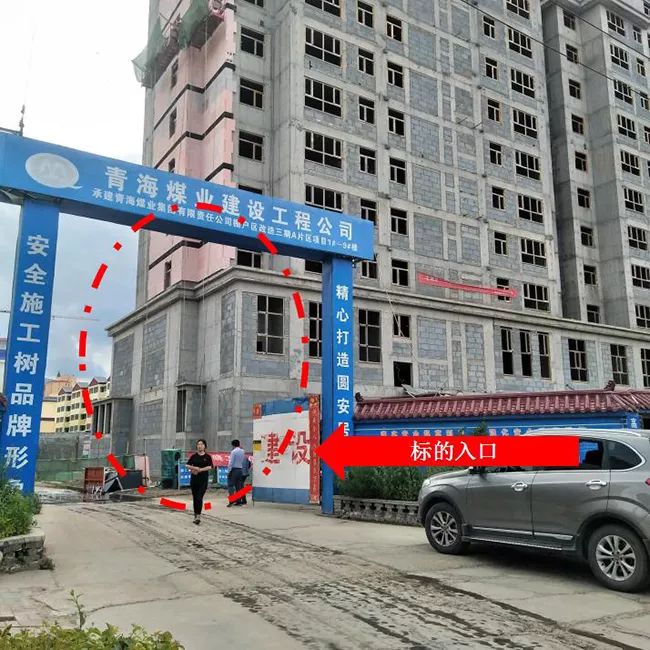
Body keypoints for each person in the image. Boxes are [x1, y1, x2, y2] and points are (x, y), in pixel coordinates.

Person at [186, 439, 213, 524]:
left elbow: (210, 466)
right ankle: (195, 515)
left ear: (205, 446)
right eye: (198, 444)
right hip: (194, 480)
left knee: (199, 497)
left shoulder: (207, 457)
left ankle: (198, 516)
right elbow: (187, 465)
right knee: (195, 498)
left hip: (203, 480)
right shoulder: (194, 456)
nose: (199, 446)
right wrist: (194, 468)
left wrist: (200, 470)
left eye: (201, 444)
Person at [227, 439, 245, 507]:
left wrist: (229, 471)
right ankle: (239, 501)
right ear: (239, 444)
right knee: (238, 486)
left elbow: (231, 463)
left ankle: (231, 501)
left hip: (233, 470)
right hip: (240, 469)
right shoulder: (242, 451)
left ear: (232, 445)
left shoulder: (233, 452)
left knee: (230, 485)